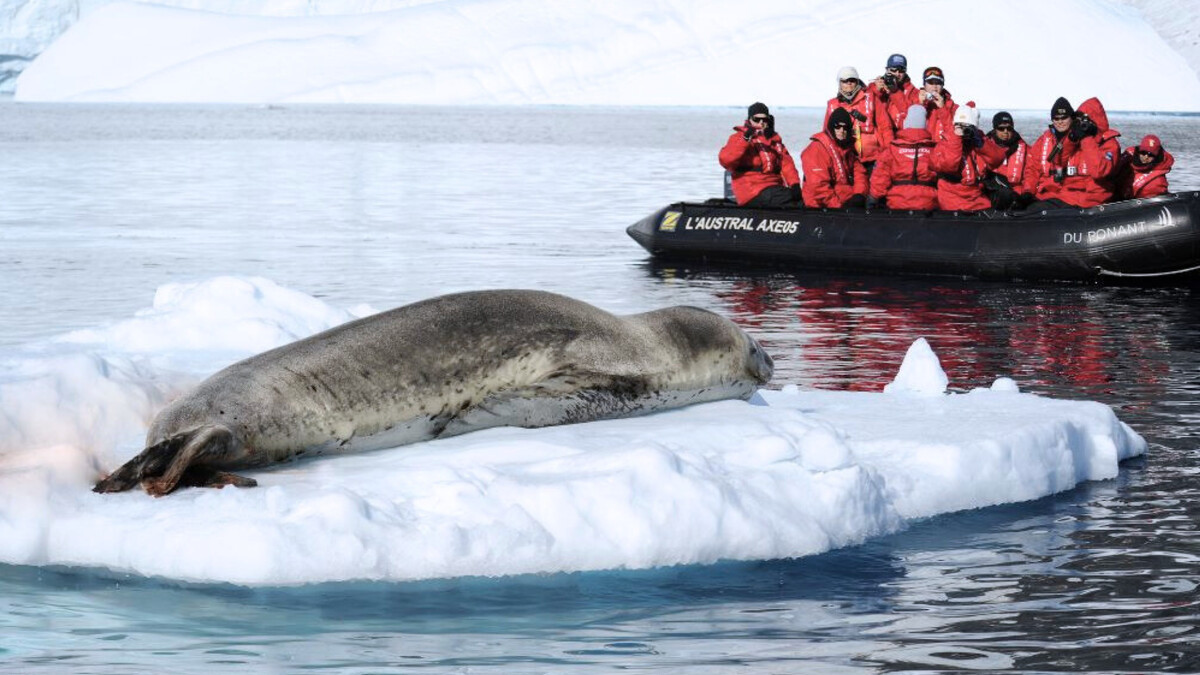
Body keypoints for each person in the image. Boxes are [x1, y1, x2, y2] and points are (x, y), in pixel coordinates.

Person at [1022, 97, 1122, 209]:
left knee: (1036, 209)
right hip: (1065, 195)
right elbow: (1057, 161)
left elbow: (1098, 171)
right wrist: (1071, 140)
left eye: (1064, 118)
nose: (1060, 122)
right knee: (1025, 208)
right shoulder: (1071, 140)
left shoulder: (1109, 144)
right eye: (1080, 122)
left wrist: (1086, 138)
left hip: (1089, 199)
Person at [719, 102, 802, 207]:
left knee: (802, 198)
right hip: (751, 189)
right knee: (789, 200)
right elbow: (726, 160)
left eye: (765, 120)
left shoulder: (774, 140)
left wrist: (794, 185)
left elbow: (787, 165)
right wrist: (745, 139)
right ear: (749, 119)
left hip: (773, 188)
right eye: (757, 119)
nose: (761, 123)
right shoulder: (738, 138)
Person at [930, 102, 1006, 211]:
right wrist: (956, 138)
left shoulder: (977, 142)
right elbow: (949, 166)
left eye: (968, 127)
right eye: (960, 125)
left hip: (976, 195)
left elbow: (997, 159)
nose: (964, 130)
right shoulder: (945, 143)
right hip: (952, 196)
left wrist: (980, 142)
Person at [869, 104, 938, 210]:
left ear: (906, 123)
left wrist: (873, 198)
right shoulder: (933, 149)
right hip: (928, 203)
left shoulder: (892, 149)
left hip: (897, 203)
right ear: (925, 124)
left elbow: (881, 177)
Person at [824, 66, 892, 171]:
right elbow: (827, 134)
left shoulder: (870, 99)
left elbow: (885, 127)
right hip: (846, 161)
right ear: (840, 83)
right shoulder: (833, 105)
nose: (848, 83)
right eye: (845, 81)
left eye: (852, 80)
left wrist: (888, 154)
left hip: (874, 160)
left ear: (857, 81)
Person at [802, 108, 868, 208]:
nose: (841, 131)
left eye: (845, 128)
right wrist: (838, 208)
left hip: (844, 200)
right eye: (837, 127)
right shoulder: (817, 149)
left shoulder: (847, 147)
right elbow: (819, 187)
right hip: (821, 206)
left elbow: (859, 173)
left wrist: (859, 195)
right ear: (831, 127)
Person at [982, 111, 1031, 209]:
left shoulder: (1025, 149)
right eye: (1001, 128)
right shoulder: (984, 146)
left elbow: (1031, 173)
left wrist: (1027, 192)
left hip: (1016, 192)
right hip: (991, 191)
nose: (1005, 131)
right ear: (995, 129)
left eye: (1009, 128)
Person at [870, 53, 920, 140]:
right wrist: (877, 91)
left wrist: (895, 92)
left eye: (901, 70)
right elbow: (866, 108)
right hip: (881, 136)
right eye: (893, 70)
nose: (897, 74)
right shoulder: (876, 85)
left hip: (903, 137)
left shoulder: (914, 92)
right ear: (887, 70)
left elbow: (911, 117)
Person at [1114, 134, 1173, 200]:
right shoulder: (1126, 161)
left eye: (1151, 155)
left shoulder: (1158, 181)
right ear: (1139, 151)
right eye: (1143, 152)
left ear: (1156, 156)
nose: (1146, 157)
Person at [914, 66, 957, 141]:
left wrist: (942, 109)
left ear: (942, 85)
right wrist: (920, 106)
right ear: (924, 85)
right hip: (924, 150)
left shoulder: (953, 107)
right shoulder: (913, 103)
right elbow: (909, 131)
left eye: (938, 83)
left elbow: (954, 135)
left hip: (942, 150)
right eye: (930, 82)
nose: (934, 86)